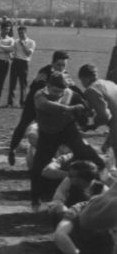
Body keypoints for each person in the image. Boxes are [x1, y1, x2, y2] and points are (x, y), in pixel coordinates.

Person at [30, 71, 104, 211]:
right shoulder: (40, 95)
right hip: (48, 134)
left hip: (67, 129)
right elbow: (47, 105)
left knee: (89, 156)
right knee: (39, 166)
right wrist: (70, 108)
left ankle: (97, 191)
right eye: (54, 91)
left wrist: (88, 112)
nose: (58, 94)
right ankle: (35, 200)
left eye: (61, 92)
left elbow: (87, 111)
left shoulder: (71, 93)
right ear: (48, 86)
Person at [8, 50, 72, 166]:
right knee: (23, 124)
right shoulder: (44, 72)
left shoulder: (64, 74)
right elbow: (35, 87)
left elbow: (73, 88)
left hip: (50, 105)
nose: (61, 68)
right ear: (52, 63)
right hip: (34, 103)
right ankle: (12, 149)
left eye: (64, 65)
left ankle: (48, 155)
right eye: (58, 65)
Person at [47, 160, 106, 225]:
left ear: (83, 178)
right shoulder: (68, 181)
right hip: (67, 216)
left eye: (72, 176)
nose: (69, 177)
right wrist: (61, 206)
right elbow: (57, 198)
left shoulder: (102, 189)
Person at [78, 63, 117, 163]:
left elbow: (105, 117)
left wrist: (91, 126)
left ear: (84, 78)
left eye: (81, 81)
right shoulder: (110, 83)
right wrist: (107, 144)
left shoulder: (91, 90)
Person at [7, 25, 36, 107]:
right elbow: (12, 51)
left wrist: (23, 45)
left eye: (22, 33)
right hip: (15, 62)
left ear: (26, 33)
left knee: (23, 84)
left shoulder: (31, 42)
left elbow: (28, 53)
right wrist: (11, 55)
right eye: (19, 33)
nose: (21, 35)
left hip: (24, 63)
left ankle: (22, 103)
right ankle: (10, 102)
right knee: (12, 83)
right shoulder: (15, 42)